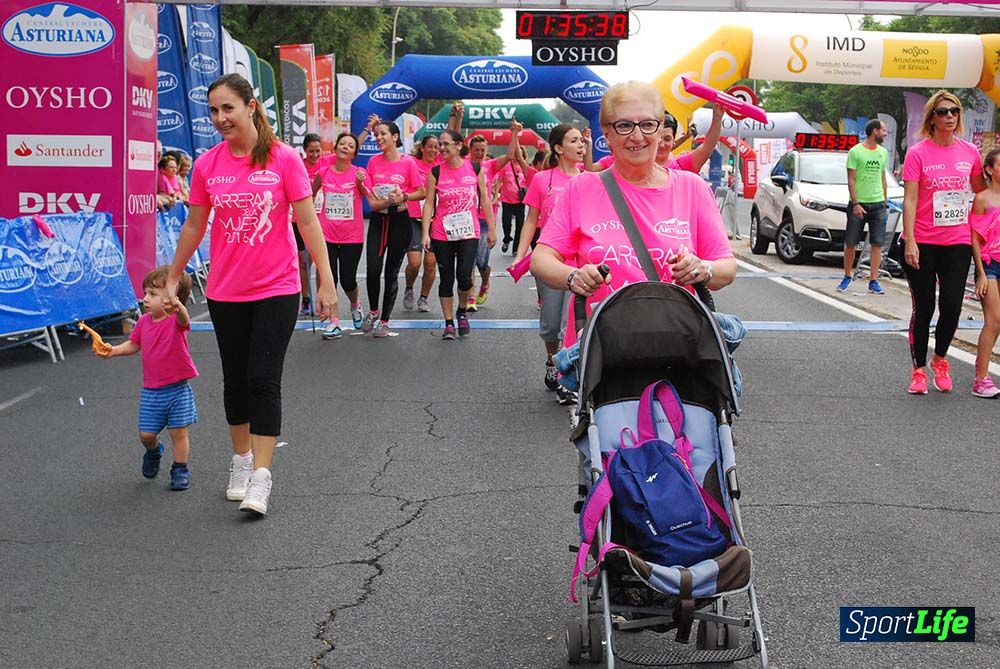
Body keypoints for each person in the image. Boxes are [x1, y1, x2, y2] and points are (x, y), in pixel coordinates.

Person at [165, 73, 336, 516]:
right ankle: (240, 461)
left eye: (228, 108)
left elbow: (308, 222)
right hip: (225, 291)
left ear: (251, 106)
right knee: (236, 379)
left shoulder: (283, 160)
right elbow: (194, 225)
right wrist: (172, 276)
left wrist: (326, 277)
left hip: (277, 288)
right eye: (214, 110)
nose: (221, 118)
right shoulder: (207, 165)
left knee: (263, 378)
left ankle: (262, 476)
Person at [531, 81, 736, 354]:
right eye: (624, 126)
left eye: (647, 124)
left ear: (661, 128)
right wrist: (574, 277)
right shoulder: (582, 188)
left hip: (678, 347)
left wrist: (701, 269)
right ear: (607, 133)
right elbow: (541, 258)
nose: (637, 136)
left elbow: (726, 267)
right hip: (601, 352)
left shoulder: (692, 187)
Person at [901, 90, 986, 395]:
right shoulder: (918, 153)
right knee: (924, 308)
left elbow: (981, 193)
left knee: (951, 307)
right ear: (931, 118)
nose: (949, 116)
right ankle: (919, 370)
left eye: (954, 111)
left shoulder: (970, 153)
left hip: (958, 240)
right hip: (922, 239)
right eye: (943, 112)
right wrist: (910, 240)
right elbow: (910, 200)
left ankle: (940, 359)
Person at [94, 268, 197, 491]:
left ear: (173, 298)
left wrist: (178, 308)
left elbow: (184, 318)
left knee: (178, 432)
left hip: (178, 388)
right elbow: (134, 344)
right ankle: (154, 450)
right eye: (146, 293)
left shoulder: (175, 321)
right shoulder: (144, 323)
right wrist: (113, 350)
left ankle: (180, 469)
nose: (145, 299)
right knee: (146, 434)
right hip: (152, 390)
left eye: (153, 294)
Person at [514, 121, 587, 403]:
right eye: (574, 141)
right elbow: (531, 220)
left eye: (582, 140)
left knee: (577, 318)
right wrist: (521, 255)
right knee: (552, 321)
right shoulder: (542, 180)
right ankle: (551, 360)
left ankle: (569, 372)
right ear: (558, 148)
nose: (580, 145)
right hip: (549, 259)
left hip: (581, 260)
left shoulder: (587, 179)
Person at [420, 129, 496, 339]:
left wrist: (491, 228)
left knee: (464, 277)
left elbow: (485, 199)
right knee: (446, 278)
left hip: (468, 232)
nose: (441, 148)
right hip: (441, 233)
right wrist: (425, 233)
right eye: (440, 145)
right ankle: (448, 323)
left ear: (458, 145)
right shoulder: (435, 172)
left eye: (445, 144)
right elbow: (428, 204)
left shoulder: (474, 168)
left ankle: (462, 311)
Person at [363, 121, 426, 337]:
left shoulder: (407, 163)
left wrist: (403, 197)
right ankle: (373, 310)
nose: (378, 138)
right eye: (375, 134)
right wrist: (380, 200)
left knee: (391, 272)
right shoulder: (373, 162)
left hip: (400, 221)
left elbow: (421, 191)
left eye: (382, 134)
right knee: (372, 270)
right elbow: (371, 198)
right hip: (379, 222)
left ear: (395, 137)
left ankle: (385, 321)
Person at [312, 132, 371, 340]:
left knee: (348, 280)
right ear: (336, 148)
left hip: (351, 236)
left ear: (354, 152)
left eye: (350, 145)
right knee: (330, 279)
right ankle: (334, 321)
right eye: (342, 143)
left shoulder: (359, 173)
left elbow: (371, 199)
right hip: (326, 234)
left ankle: (355, 305)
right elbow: (310, 195)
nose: (346, 147)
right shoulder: (323, 173)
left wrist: (362, 184)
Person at [838, 119, 890, 294]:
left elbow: (883, 178)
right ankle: (846, 276)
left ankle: (873, 280)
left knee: (877, 243)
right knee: (851, 242)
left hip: (878, 204)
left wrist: (885, 201)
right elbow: (851, 179)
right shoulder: (856, 152)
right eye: (883, 130)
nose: (885, 133)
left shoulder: (883, 153)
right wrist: (856, 203)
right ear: (874, 131)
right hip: (859, 204)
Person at [969, 148, 1000, 398]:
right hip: (990, 265)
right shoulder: (982, 199)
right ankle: (981, 380)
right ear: (989, 169)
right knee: (994, 320)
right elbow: (975, 240)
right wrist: (980, 273)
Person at [404, 135, 443, 313]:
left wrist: (457, 117)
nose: (433, 150)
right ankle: (409, 288)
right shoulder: (411, 163)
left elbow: (454, 135)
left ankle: (423, 297)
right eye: (430, 147)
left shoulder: (441, 166)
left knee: (430, 262)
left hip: (435, 219)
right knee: (414, 262)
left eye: (436, 147)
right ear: (422, 148)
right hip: (413, 217)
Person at [295, 133, 324, 316]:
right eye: (311, 151)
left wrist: (367, 130)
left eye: (317, 151)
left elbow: (352, 147)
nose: (314, 155)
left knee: (320, 260)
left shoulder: (326, 164)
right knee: (303, 260)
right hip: (299, 218)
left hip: (321, 219)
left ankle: (322, 297)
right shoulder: (298, 165)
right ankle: (306, 298)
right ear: (305, 151)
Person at [497, 146, 530, 255]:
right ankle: (506, 239)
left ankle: (516, 249)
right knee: (506, 223)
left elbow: (530, 182)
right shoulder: (506, 166)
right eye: (515, 154)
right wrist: (494, 197)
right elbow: (499, 182)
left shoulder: (525, 167)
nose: (517, 156)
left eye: (519, 154)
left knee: (520, 225)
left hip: (520, 200)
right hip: (507, 200)